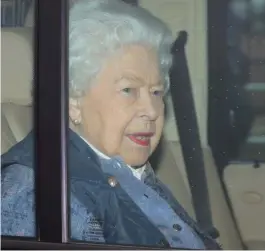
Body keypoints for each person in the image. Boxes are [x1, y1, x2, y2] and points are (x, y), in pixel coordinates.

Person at [1, 0, 220, 249]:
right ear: (73, 101)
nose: (151, 111)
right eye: (128, 90)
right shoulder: (39, 195)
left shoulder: (131, 175)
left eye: (157, 92)